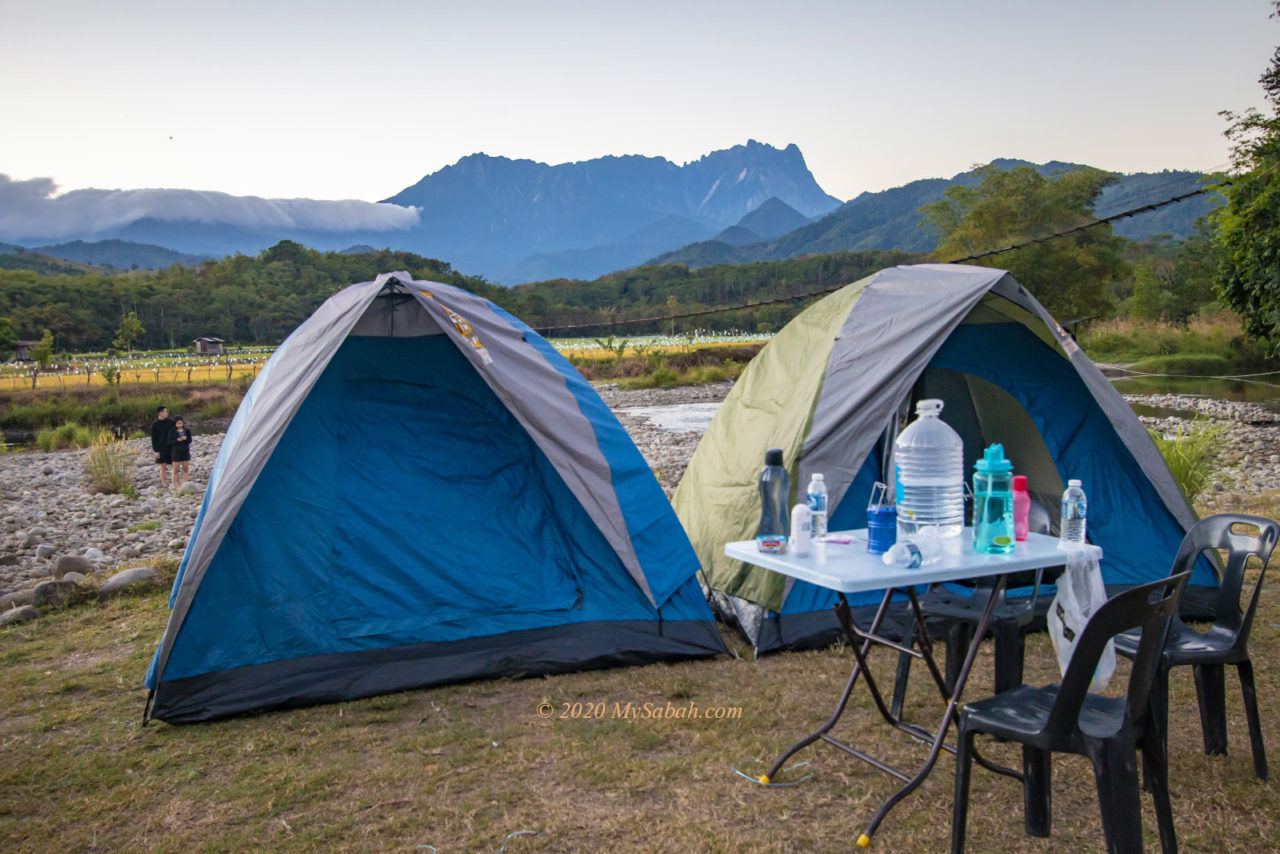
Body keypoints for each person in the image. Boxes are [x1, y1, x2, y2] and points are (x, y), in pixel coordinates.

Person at [168, 416, 193, 489]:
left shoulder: (187, 430)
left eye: (181, 423)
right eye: (178, 423)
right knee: (175, 469)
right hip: (176, 451)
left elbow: (190, 440)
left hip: (185, 451)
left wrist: (186, 439)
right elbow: (169, 441)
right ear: (175, 424)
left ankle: (185, 483)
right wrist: (177, 440)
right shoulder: (172, 431)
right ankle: (175, 484)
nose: (179, 425)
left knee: (186, 468)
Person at [150, 406, 172, 488]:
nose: (166, 413)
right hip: (161, 447)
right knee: (163, 466)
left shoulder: (170, 422)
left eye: (166, 411)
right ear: (160, 413)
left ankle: (174, 482)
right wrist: (156, 451)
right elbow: (153, 439)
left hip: (170, 446)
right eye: (165, 412)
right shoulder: (155, 425)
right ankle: (164, 482)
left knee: (173, 464)